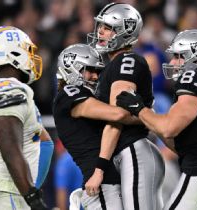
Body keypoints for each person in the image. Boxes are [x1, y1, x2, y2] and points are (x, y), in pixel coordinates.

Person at [116, 29, 197, 210]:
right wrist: (147, 118)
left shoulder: (192, 78)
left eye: (179, 56)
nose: (172, 62)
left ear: (196, 57)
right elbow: (178, 144)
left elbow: (169, 128)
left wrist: (139, 109)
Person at [85, 3, 165, 210]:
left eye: (107, 27)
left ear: (124, 31)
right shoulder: (112, 65)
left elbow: (118, 114)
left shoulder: (126, 60)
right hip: (130, 153)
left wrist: (100, 167)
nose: (100, 31)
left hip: (133, 150)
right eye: (100, 26)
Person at [54, 43, 141, 209]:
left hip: (106, 181)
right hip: (101, 184)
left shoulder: (80, 96)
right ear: (73, 67)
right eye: (91, 70)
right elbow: (118, 114)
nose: (95, 76)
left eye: (98, 72)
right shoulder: (68, 95)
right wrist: (145, 114)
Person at [0, 26, 48, 210]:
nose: (30, 57)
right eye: (27, 50)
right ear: (13, 52)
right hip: (7, 191)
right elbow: (10, 148)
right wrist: (32, 196)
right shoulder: (11, 88)